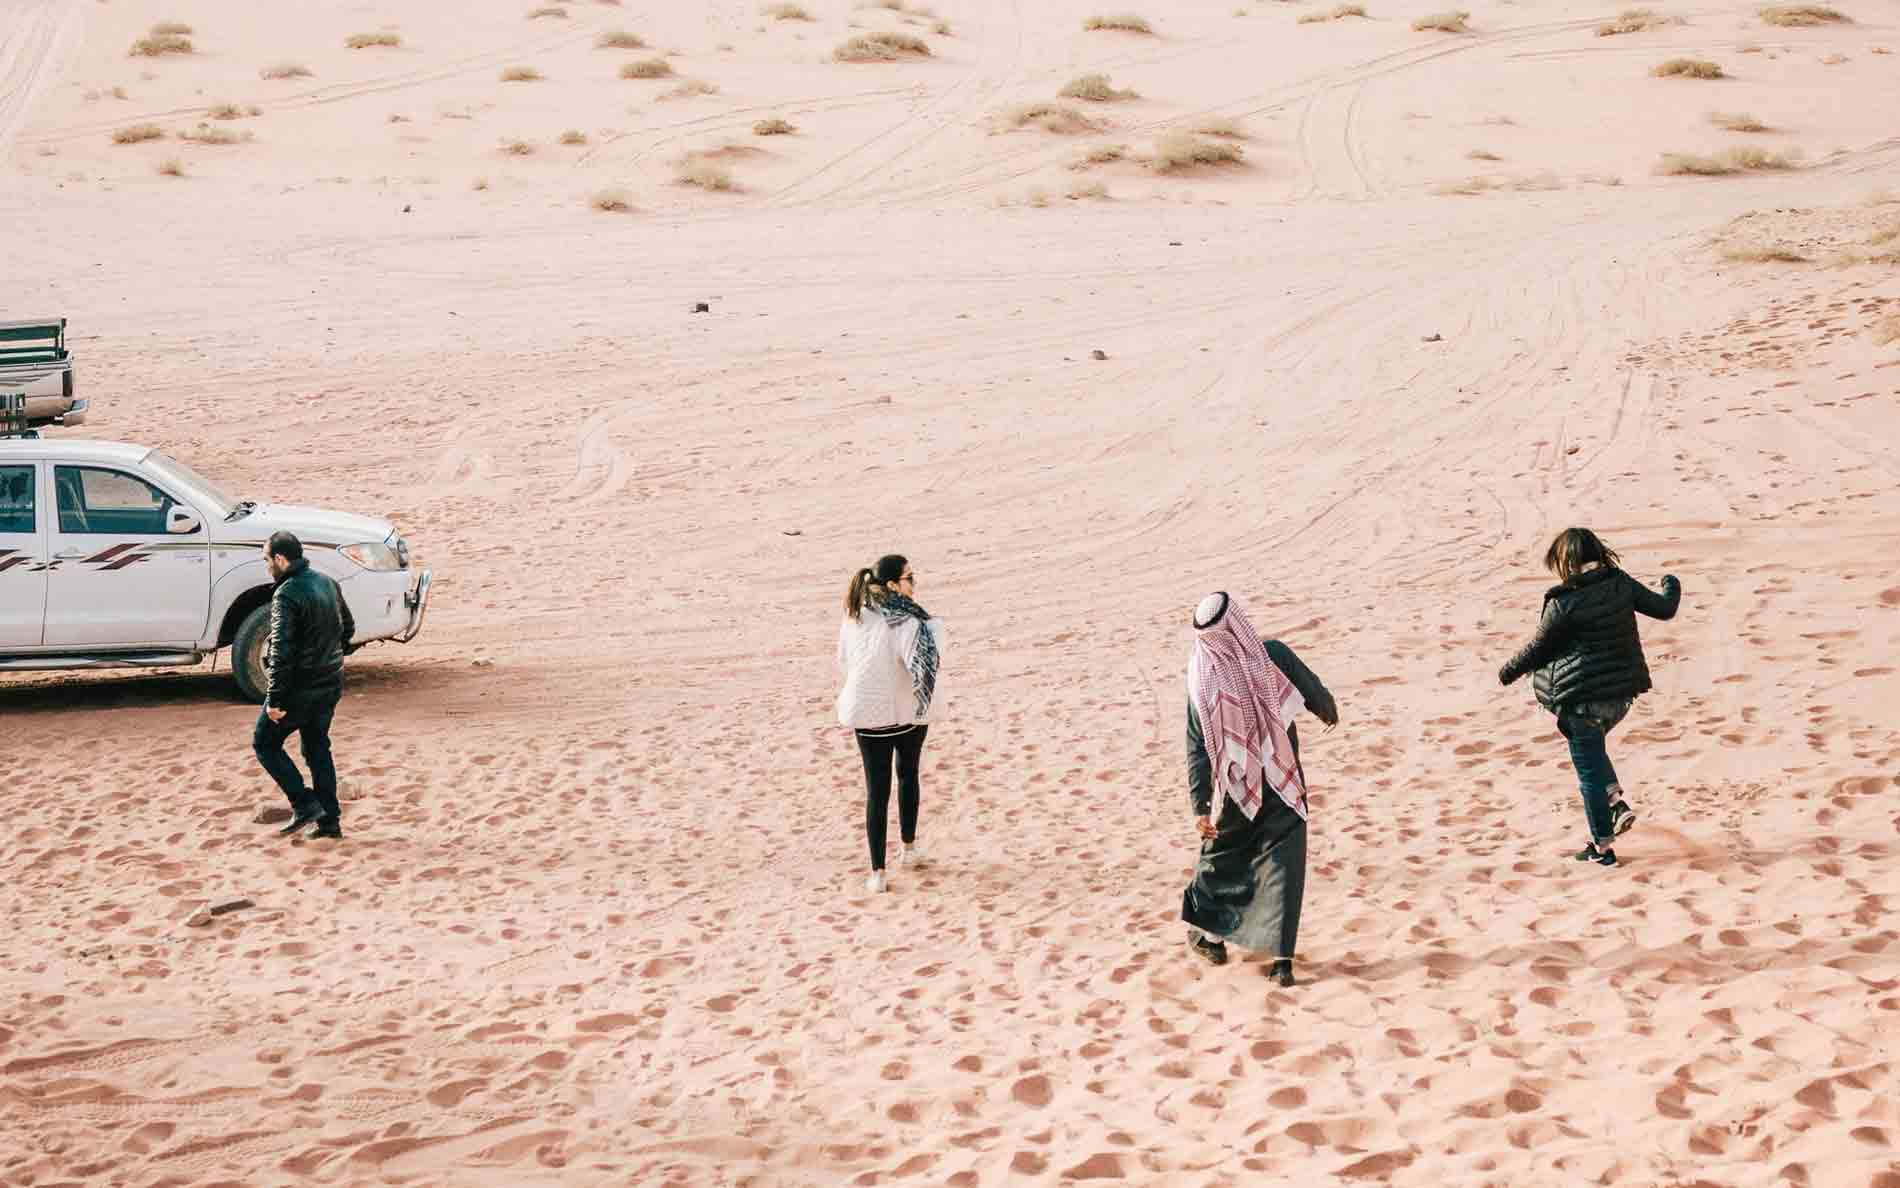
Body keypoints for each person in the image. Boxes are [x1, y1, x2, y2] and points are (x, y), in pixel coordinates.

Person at [1498, 528, 1681, 868]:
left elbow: (1539, 649)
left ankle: (1602, 848)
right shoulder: (1620, 583)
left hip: (1582, 701)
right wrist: (1671, 582)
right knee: (1592, 748)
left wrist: (1507, 672)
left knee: (1587, 775)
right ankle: (1616, 803)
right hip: (1620, 698)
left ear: (1565, 562)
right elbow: (1665, 608)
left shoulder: (1563, 603)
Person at [1182, 592, 1338, 986]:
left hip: (1236, 789)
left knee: (1225, 857)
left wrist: (1200, 802)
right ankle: (1282, 963)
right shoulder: (1270, 655)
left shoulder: (1202, 680)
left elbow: (1198, 743)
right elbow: (1313, 691)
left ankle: (1212, 938)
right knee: (1285, 866)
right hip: (1284, 779)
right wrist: (1326, 710)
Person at [835, 555, 943, 894]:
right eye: (911, 577)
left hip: (864, 715)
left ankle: (878, 873)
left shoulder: (854, 616)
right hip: (904, 715)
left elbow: (844, 661)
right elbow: (921, 669)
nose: (916, 583)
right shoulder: (908, 621)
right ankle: (908, 850)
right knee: (907, 775)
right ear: (894, 585)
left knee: (876, 791)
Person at [253, 530, 355, 841]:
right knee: (317, 749)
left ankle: (305, 804)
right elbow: (348, 629)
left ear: (281, 559)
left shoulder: (286, 594)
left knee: (265, 743)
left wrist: (274, 700)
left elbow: (280, 651)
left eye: (267, 560)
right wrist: (332, 655)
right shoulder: (327, 581)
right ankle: (329, 822)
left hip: (301, 689)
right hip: (330, 684)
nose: (267, 565)